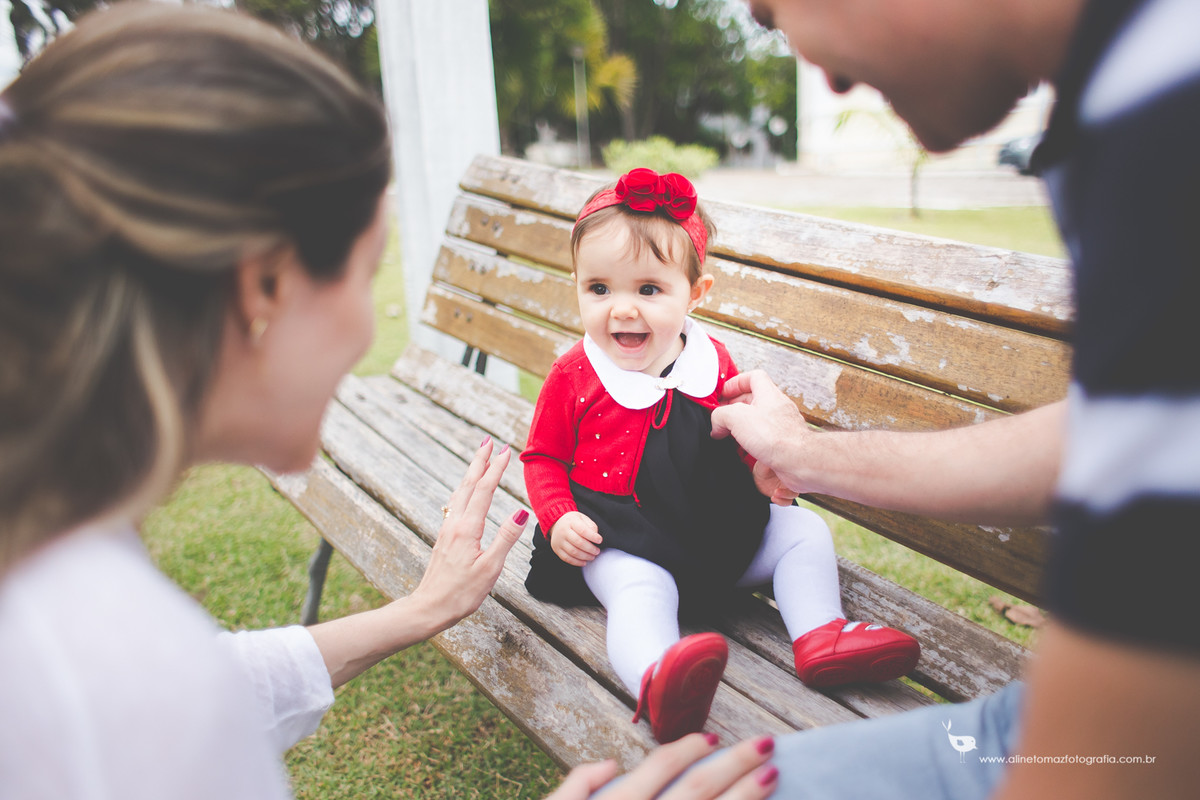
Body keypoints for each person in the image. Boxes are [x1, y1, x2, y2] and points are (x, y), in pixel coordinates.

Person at [0, 4, 778, 798]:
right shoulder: (90, 666)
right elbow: (161, 705)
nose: (372, 323)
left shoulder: (64, 595)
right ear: (262, 290)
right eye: (368, 273)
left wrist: (418, 611)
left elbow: (184, 690)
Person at [693, 0, 1200, 797]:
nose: (822, 70)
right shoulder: (1136, 79)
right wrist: (807, 456)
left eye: (771, 9)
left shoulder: (1167, 110)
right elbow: (1119, 432)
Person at [520, 167, 919, 744]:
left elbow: (733, 444)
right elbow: (543, 459)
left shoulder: (713, 362)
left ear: (696, 293)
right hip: (618, 535)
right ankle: (658, 679)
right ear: (577, 284)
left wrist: (762, 473)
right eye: (599, 289)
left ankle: (820, 634)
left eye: (649, 290)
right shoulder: (577, 373)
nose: (622, 310)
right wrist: (559, 518)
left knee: (802, 532)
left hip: (709, 534)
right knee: (639, 593)